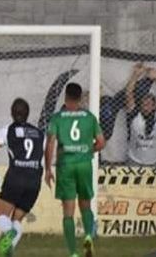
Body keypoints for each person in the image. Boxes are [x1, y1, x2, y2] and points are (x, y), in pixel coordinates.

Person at [0, 98, 45, 256]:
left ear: (12, 113)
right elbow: (48, 151)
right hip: (34, 179)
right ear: (27, 114)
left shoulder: (7, 130)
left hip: (16, 176)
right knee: (17, 220)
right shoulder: (39, 133)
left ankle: (9, 235)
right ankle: (8, 251)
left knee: (2, 216)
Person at [45, 83, 105, 257]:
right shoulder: (89, 117)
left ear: (66, 97)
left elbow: (50, 143)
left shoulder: (57, 118)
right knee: (85, 206)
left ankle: (73, 253)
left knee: (68, 212)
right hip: (84, 166)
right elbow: (101, 142)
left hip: (66, 166)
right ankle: (87, 238)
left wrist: (48, 169)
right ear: (80, 98)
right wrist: (87, 150)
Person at [125, 63, 156, 165]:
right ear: (141, 105)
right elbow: (128, 93)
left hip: (153, 162)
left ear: (154, 106)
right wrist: (135, 75)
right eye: (145, 103)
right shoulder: (135, 114)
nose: (147, 105)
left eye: (150, 103)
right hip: (134, 160)